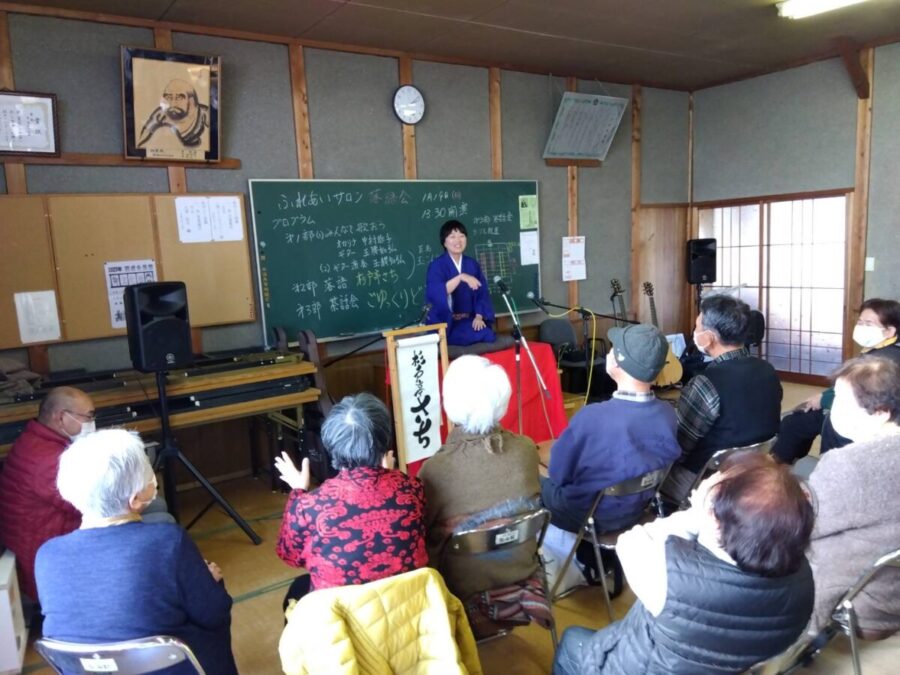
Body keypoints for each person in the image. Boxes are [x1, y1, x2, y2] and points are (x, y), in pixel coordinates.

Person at [554, 451, 815, 675]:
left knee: (571, 640)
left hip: (637, 667)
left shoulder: (671, 581)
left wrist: (698, 512)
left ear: (714, 521)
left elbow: (630, 541)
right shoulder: (804, 582)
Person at [35, 429, 237, 675]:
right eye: (149, 470)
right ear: (136, 499)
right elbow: (214, 613)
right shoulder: (167, 540)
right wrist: (210, 582)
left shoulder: (47, 555)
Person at [0, 386, 171, 603]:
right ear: (61, 417)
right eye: (88, 417)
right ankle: (149, 589)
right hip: (53, 559)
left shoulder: (37, 441)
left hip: (53, 537)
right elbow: (95, 506)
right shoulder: (46, 460)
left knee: (156, 503)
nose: (92, 423)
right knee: (161, 520)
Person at [417, 355, 541, 627]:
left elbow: (422, 534)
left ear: (449, 403)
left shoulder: (435, 469)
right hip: (520, 569)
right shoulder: (526, 450)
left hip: (461, 584)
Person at [275, 393, 428, 606]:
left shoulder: (309, 506)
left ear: (330, 444)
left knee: (297, 589)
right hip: (404, 608)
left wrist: (298, 491)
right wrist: (390, 475)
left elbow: (290, 555)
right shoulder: (412, 488)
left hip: (344, 621)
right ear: (384, 439)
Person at [541, 324, 682, 534]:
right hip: (636, 511)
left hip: (584, 516)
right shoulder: (669, 414)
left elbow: (559, 474)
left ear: (617, 362)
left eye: (612, 348)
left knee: (534, 481)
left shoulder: (592, 417)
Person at [804, 355, 900, 639]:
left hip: (864, 596)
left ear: (881, 412)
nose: (835, 409)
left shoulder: (848, 464)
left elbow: (807, 525)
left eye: (844, 403)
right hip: (890, 582)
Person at [662, 295, 782, 503]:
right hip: (754, 470)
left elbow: (679, 447)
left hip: (706, 480)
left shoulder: (705, 383)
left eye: (697, 325)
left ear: (708, 338)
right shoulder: (767, 370)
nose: (695, 330)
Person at [773, 298, 900, 464]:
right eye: (860, 322)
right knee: (797, 421)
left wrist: (824, 399)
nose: (861, 327)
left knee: (798, 423)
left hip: (864, 420)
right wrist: (824, 396)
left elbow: (859, 397)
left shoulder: (883, 362)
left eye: (869, 324)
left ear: (889, 331)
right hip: (859, 408)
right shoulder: (881, 350)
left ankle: (776, 468)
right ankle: (782, 464)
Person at [425, 219, 496, 346]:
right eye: (452, 236)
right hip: (447, 323)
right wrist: (460, 277)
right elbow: (436, 294)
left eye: (461, 236)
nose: (458, 241)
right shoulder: (436, 266)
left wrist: (479, 316)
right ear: (444, 242)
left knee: (487, 334)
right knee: (452, 337)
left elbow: (482, 293)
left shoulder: (472, 264)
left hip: (469, 320)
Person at [138, 78, 210, 148]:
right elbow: (143, 137)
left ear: (191, 101)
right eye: (169, 97)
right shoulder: (160, 114)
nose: (173, 104)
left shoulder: (203, 113)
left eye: (179, 98)